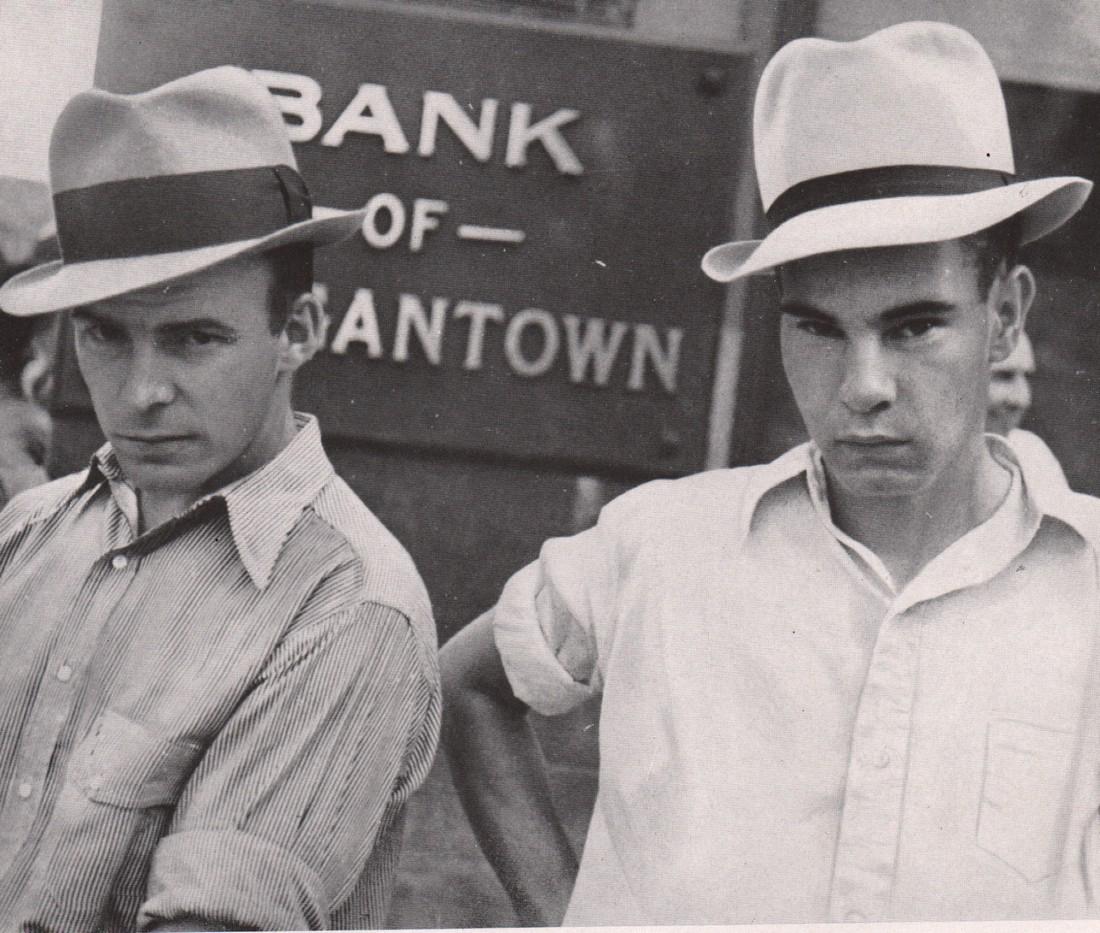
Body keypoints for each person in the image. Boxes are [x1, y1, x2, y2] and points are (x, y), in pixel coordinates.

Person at [441, 21, 1100, 926]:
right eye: (819, 328)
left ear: (1008, 314)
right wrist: (563, 913)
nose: (863, 387)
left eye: (915, 326)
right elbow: (470, 684)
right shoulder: (665, 543)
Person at [0, 67, 439, 931]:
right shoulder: (28, 530)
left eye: (195, 338)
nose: (141, 392)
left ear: (297, 331)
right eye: (104, 334)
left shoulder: (344, 609)